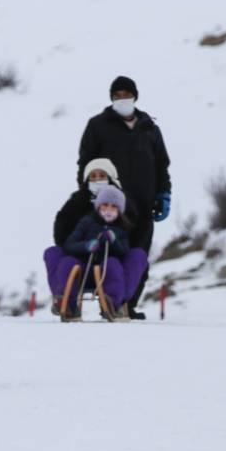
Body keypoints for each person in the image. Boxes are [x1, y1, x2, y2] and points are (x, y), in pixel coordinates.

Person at [77, 75, 171, 319]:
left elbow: (162, 164)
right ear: (111, 99)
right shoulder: (98, 125)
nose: (122, 100)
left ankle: (128, 305)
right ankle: (111, 302)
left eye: (126, 95)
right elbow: (85, 163)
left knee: (139, 256)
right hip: (110, 205)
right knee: (113, 254)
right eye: (117, 96)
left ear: (135, 97)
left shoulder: (149, 127)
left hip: (145, 204)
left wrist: (164, 193)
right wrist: (86, 194)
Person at [53, 185, 147, 321]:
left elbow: (124, 251)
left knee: (113, 263)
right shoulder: (87, 222)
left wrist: (113, 241)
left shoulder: (122, 228)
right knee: (68, 263)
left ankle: (113, 302)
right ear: (98, 207)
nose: (108, 210)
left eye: (113, 207)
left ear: (119, 210)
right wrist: (87, 245)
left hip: (107, 272)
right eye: (105, 205)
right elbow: (70, 244)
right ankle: (69, 304)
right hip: (84, 268)